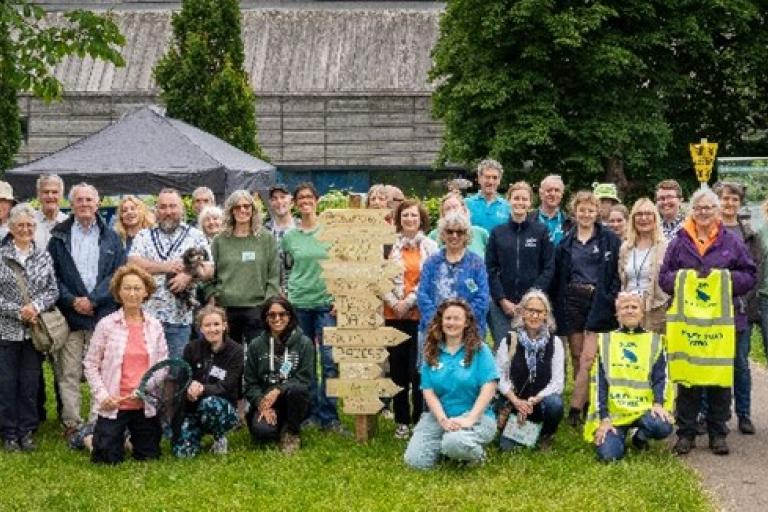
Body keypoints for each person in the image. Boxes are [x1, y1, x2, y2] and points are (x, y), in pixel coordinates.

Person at [660, 188, 756, 455]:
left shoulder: (731, 241)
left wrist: (722, 279)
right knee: (688, 379)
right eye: (699, 208)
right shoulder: (680, 241)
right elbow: (664, 277)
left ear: (717, 211)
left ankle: (718, 433)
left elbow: (749, 275)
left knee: (718, 378)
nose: (704, 213)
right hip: (688, 324)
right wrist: (686, 278)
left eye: (709, 208)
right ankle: (686, 433)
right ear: (692, 210)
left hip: (723, 324)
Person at [48, 183, 125, 440]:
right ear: (72, 204)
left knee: (101, 370)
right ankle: (71, 422)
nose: (84, 204)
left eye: (89, 200)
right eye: (79, 200)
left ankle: (96, 419)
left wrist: (93, 299)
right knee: (68, 371)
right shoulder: (58, 236)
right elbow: (53, 276)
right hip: (69, 315)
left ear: (98, 203)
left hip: (101, 313)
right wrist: (72, 300)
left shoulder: (112, 237)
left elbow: (117, 274)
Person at [83, 264, 168, 464]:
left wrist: (144, 389)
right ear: (118, 292)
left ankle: (127, 439)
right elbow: (90, 364)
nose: (132, 293)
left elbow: (163, 365)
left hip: (143, 404)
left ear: (146, 291)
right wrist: (103, 396)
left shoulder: (155, 326)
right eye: (127, 288)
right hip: (114, 404)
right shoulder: (106, 325)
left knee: (149, 457)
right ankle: (87, 437)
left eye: (137, 288)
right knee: (106, 459)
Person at [550, 190, 621, 426]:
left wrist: (609, 298)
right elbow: (559, 276)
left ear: (597, 212)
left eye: (591, 210)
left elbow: (616, 274)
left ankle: (577, 408)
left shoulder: (609, 239)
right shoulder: (565, 243)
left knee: (590, 357)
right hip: (572, 301)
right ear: (575, 212)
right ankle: (587, 399)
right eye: (582, 210)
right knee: (578, 355)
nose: (586, 214)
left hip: (598, 300)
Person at [404, 299, 498, 469]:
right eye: (447, 318)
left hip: (476, 417)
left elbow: (489, 387)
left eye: (457, 318)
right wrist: (442, 420)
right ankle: (450, 449)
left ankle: (476, 455)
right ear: (441, 321)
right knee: (415, 461)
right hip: (441, 416)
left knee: (454, 443)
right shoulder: (431, 351)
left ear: (466, 322)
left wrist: (470, 419)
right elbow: (429, 391)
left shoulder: (480, 349)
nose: (451, 323)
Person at [281, 182, 344, 433]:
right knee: (304, 362)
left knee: (330, 360)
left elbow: (341, 266)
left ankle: (329, 416)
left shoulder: (331, 232)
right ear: (295, 204)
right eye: (301, 198)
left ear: (317, 201)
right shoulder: (289, 237)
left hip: (326, 304)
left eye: (309, 197)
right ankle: (308, 413)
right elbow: (285, 269)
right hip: (299, 304)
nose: (305, 201)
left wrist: (339, 297)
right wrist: (286, 297)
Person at [586, 292, 674, 462]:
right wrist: (604, 418)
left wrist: (658, 404)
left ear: (642, 312)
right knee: (608, 456)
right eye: (624, 307)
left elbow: (661, 378)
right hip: (615, 414)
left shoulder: (655, 341)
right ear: (617, 314)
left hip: (643, 410)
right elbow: (599, 384)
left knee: (662, 426)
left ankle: (640, 435)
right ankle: (619, 436)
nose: (630, 311)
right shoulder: (606, 340)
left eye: (634, 307)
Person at [0, 204, 58, 451]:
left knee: (29, 384)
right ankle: (9, 433)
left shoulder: (43, 256)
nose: (25, 229)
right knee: (6, 383)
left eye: (30, 225)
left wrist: (34, 307)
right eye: (20, 225)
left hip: (34, 331)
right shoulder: (1, 256)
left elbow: (52, 289)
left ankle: (27, 431)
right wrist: (17, 312)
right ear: (11, 228)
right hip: (6, 331)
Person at [128, 188, 211, 359]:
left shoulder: (196, 235)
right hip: (147, 317)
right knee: (147, 370)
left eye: (173, 206)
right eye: (163, 207)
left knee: (176, 372)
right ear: (156, 210)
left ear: (181, 208)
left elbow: (209, 269)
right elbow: (133, 263)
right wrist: (166, 267)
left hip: (179, 319)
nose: (168, 211)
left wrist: (188, 274)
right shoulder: (143, 236)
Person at [383, 199, 438, 438]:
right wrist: (394, 302)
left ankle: (419, 420)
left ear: (421, 218)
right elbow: (378, 276)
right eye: (405, 215)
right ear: (399, 219)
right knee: (397, 371)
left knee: (417, 370)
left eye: (413, 215)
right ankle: (401, 420)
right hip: (393, 314)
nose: (409, 219)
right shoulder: (387, 246)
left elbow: (430, 278)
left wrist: (409, 301)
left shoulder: (430, 246)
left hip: (420, 316)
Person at [713, 181, 760, 435]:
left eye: (734, 199)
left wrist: (743, 297)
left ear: (740, 204)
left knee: (740, 362)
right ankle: (711, 414)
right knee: (711, 364)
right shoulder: (709, 231)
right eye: (725, 198)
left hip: (740, 308)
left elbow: (756, 271)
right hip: (711, 310)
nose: (729, 203)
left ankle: (744, 414)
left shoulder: (749, 234)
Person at [486, 181, 555, 348]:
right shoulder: (497, 233)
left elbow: (548, 267)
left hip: (533, 305)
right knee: (504, 349)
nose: (520, 202)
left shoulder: (540, 231)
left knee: (531, 349)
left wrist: (530, 299)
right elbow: (491, 268)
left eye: (524, 199)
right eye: (516, 198)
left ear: (530, 202)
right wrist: (502, 300)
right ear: (509, 200)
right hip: (503, 306)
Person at [496, 290, 564, 451]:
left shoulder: (556, 343)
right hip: (515, 403)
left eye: (539, 311)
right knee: (507, 449)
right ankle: (518, 428)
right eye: (530, 310)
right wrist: (516, 401)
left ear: (546, 315)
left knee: (555, 404)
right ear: (522, 313)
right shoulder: (509, 340)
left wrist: (535, 400)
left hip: (540, 403)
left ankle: (546, 435)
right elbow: (499, 376)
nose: (534, 315)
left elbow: (557, 383)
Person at [244, 296, 314, 454]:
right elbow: (250, 383)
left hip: (293, 399)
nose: (277, 319)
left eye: (282, 314)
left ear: (290, 316)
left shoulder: (304, 343)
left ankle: (291, 432)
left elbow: (305, 379)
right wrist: (261, 403)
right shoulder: (256, 345)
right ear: (265, 318)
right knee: (263, 433)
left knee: (297, 390)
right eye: (272, 315)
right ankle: (277, 424)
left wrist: (278, 390)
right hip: (266, 401)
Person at [209, 189, 280, 345]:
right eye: (238, 207)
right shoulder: (219, 240)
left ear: (253, 210)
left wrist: (267, 304)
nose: (243, 210)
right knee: (230, 357)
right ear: (231, 210)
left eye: (247, 206)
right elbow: (209, 274)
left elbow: (274, 275)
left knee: (258, 356)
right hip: (226, 308)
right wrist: (213, 296)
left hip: (257, 308)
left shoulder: (266, 238)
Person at [174, 305, 243, 457]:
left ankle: (220, 438)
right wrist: (189, 390)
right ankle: (194, 436)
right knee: (183, 454)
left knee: (210, 403)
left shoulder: (237, 351)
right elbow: (182, 379)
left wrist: (202, 389)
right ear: (201, 328)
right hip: (193, 407)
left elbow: (227, 386)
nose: (212, 329)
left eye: (216, 324)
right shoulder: (191, 348)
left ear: (225, 326)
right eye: (207, 325)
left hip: (222, 407)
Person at [418, 212, 490, 347]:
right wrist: (440, 321)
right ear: (443, 234)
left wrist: (460, 321)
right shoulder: (432, 262)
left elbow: (483, 297)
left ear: (466, 235)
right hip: (435, 332)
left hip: (469, 331)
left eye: (460, 232)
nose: (454, 236)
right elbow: (423, 295)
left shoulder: (476, 263)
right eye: (450, 231)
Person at [618, 198, 669, 334]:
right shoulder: (625, 247)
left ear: (655, 218)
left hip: (656, 310)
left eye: (648, 214)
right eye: (639, 214)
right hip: (629, 310)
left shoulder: (665, 247)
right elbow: (622, 279)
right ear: (633, 219)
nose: (643, 218)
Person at [428, 192, 489, 258]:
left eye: (455, 207)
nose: (452, 211)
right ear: (443, 214)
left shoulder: (481, 233)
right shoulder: (433, 236)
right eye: (448, 208)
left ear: (464, 210)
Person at [264, 184, 297, 293]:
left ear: (291, 201)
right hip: (272, 295)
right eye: (274, 198)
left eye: (283, 197)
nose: (279, 202)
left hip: (299, 293)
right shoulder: (264, 231)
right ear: (270, 203)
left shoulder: (302, 228)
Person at [464, 159, 511, 234]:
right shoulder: (466, 204)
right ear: (479, 179)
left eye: (495, 178)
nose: (491, 182)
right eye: (487, 177)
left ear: (499, 180)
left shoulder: (508, 207)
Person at [528, 174, 571, 246]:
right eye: (549, 190)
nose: (553, 194)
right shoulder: (527, 219)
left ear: (561, 195)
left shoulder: (570, 223)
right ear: (541, 194)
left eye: (557, 190)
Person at [33, 174, 68, 249]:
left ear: (61, 195)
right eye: (46, 192)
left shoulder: (68, 223)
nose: (50, 196)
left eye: (54, 192)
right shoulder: (29, 222)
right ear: (38, 195)